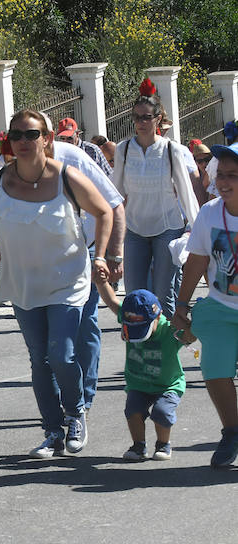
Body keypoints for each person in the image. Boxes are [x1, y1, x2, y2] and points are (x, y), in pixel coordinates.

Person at [0, 109, 113, 457]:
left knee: (61, 353)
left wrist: (100, 255)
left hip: (67, 281)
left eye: (31, 134)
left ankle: (75, 414)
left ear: (47, 138)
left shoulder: (66, 177)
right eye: (16, 136)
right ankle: (53, 431)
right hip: (23, 283)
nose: (23, 142)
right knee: (40, 358)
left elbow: (104, 211)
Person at [48, 114, 127, 416]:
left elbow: (114, 203)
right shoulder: (17, 167)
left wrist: (113, 254)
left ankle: (85, 395)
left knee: (86, 321)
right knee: (56, 330)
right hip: (54, 256)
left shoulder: (78, 159)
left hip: (90, 249)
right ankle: (65, 397)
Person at [173, 141, 238, 468]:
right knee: (214, 372)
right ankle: (231, 432)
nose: (223, 182)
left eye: (233, 176)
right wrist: (181, 304)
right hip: (221, 308)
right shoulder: (210, 213)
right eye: (221, 175)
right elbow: (197, 260)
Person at [112, 79, 199, 318]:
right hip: (135, 229)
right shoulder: (124, 150)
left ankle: (168, 350)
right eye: (136, 117)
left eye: (146, 117)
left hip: (167, 228)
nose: (140, 123)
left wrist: (199, 229)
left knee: (163, 295)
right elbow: (113, 193)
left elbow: (186, 192)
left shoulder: (172, 150)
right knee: (134, 297)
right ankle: (140, 348)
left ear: (158, 119)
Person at [96, 282, 192, 461]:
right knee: (133, 410)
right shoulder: (130, 317)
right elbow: (111, 301)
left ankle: (163, 445)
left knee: (162, 412)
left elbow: (191, 337)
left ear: (158, 316)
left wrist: (187, 325)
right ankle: (138, 446)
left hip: (167, 385)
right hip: (138, 384)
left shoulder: (169, 330)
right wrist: (101, 282)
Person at [187, 139, 212, 205]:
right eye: (200, 161)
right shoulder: (194, 178)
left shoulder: (216, 174)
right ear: (195, 163)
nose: (204, 164)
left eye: (206, 160)